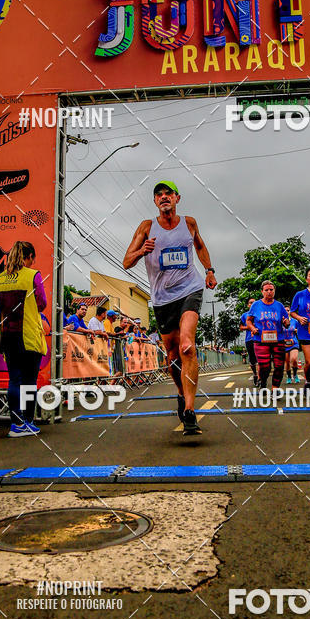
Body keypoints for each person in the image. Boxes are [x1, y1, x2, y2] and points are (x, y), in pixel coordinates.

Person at [123, 179, 216, 435]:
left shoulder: (189, 223)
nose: (164, 197)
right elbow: (126, 262)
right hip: (163, 299)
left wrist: (208, 270)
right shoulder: (146, 227)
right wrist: (142, 250)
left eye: (168, 193)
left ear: (177, 198)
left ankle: (189, 410)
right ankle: (180, 391)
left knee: (187, 345)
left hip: (190, 289)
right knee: (173, 357)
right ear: (155, 201)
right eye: (159, 195)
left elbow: (199, 245)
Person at [0, 240, 47, 437]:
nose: (33, 262)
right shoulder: (33, 275)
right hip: (29, 335)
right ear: (29, 256)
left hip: (7, 335)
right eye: (33, 258)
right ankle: (28, 422)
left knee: (13, 380)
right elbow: (42, 303)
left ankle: (16, 424)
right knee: (29, 381)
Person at [247, 281, 290, 390]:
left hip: (278, 340)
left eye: (271, 290)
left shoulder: (279, 306)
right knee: (264, 367)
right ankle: (263, 381)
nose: (269, 292)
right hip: (260, 341)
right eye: (266, 290)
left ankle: (275, 388)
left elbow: (287, 322)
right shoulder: (256, 305)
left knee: (279, 366)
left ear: (274, 291)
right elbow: (248, 321)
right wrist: (253, 328)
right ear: (262, 292)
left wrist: (286, 322)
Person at [240, 297, 259, 386]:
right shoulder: (244, 315)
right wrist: (250, 326)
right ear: (248, 305)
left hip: (260, 339)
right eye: (250, 303)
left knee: (260, 359)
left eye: (254, 303)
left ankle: (260, 378)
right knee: (252, 360)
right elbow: (241, 327)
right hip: (249, 339)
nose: (252, 304)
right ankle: (255, 374)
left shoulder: (261, 313)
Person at [283, 304, 300, 384]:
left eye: (288, 310)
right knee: (286, 362)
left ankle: (295, 374)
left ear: (290, 312)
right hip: (284, 343)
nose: (286, 312)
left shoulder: (295, 321)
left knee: (293, 359)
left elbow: (300, 331)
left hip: (294, 342)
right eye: (285, 310)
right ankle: (289, 376)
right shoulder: (280, 322)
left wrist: (297, 330)